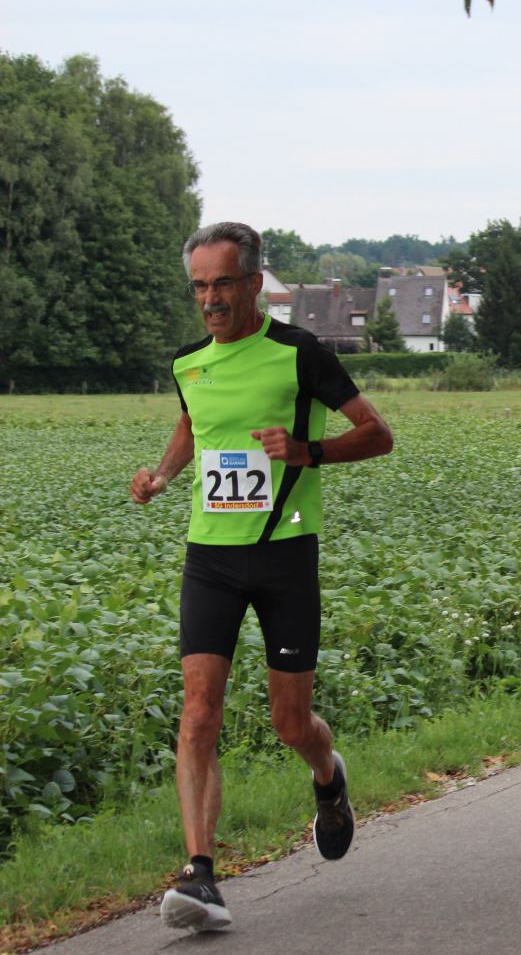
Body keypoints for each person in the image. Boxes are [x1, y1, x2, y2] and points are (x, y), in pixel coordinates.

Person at [130, 222, 394, 933]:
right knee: (198, 713)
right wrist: (162, 476)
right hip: (210, 557)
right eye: (199, 286)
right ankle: (200, 876)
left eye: (222, 283)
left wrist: (308, 451)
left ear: (253, 283)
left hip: (284, 555)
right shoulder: (190, 363)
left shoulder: (299, 353)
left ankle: (328, 776)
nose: (209, 299)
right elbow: (194, 425)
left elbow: (377, 433)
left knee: (289, 723)